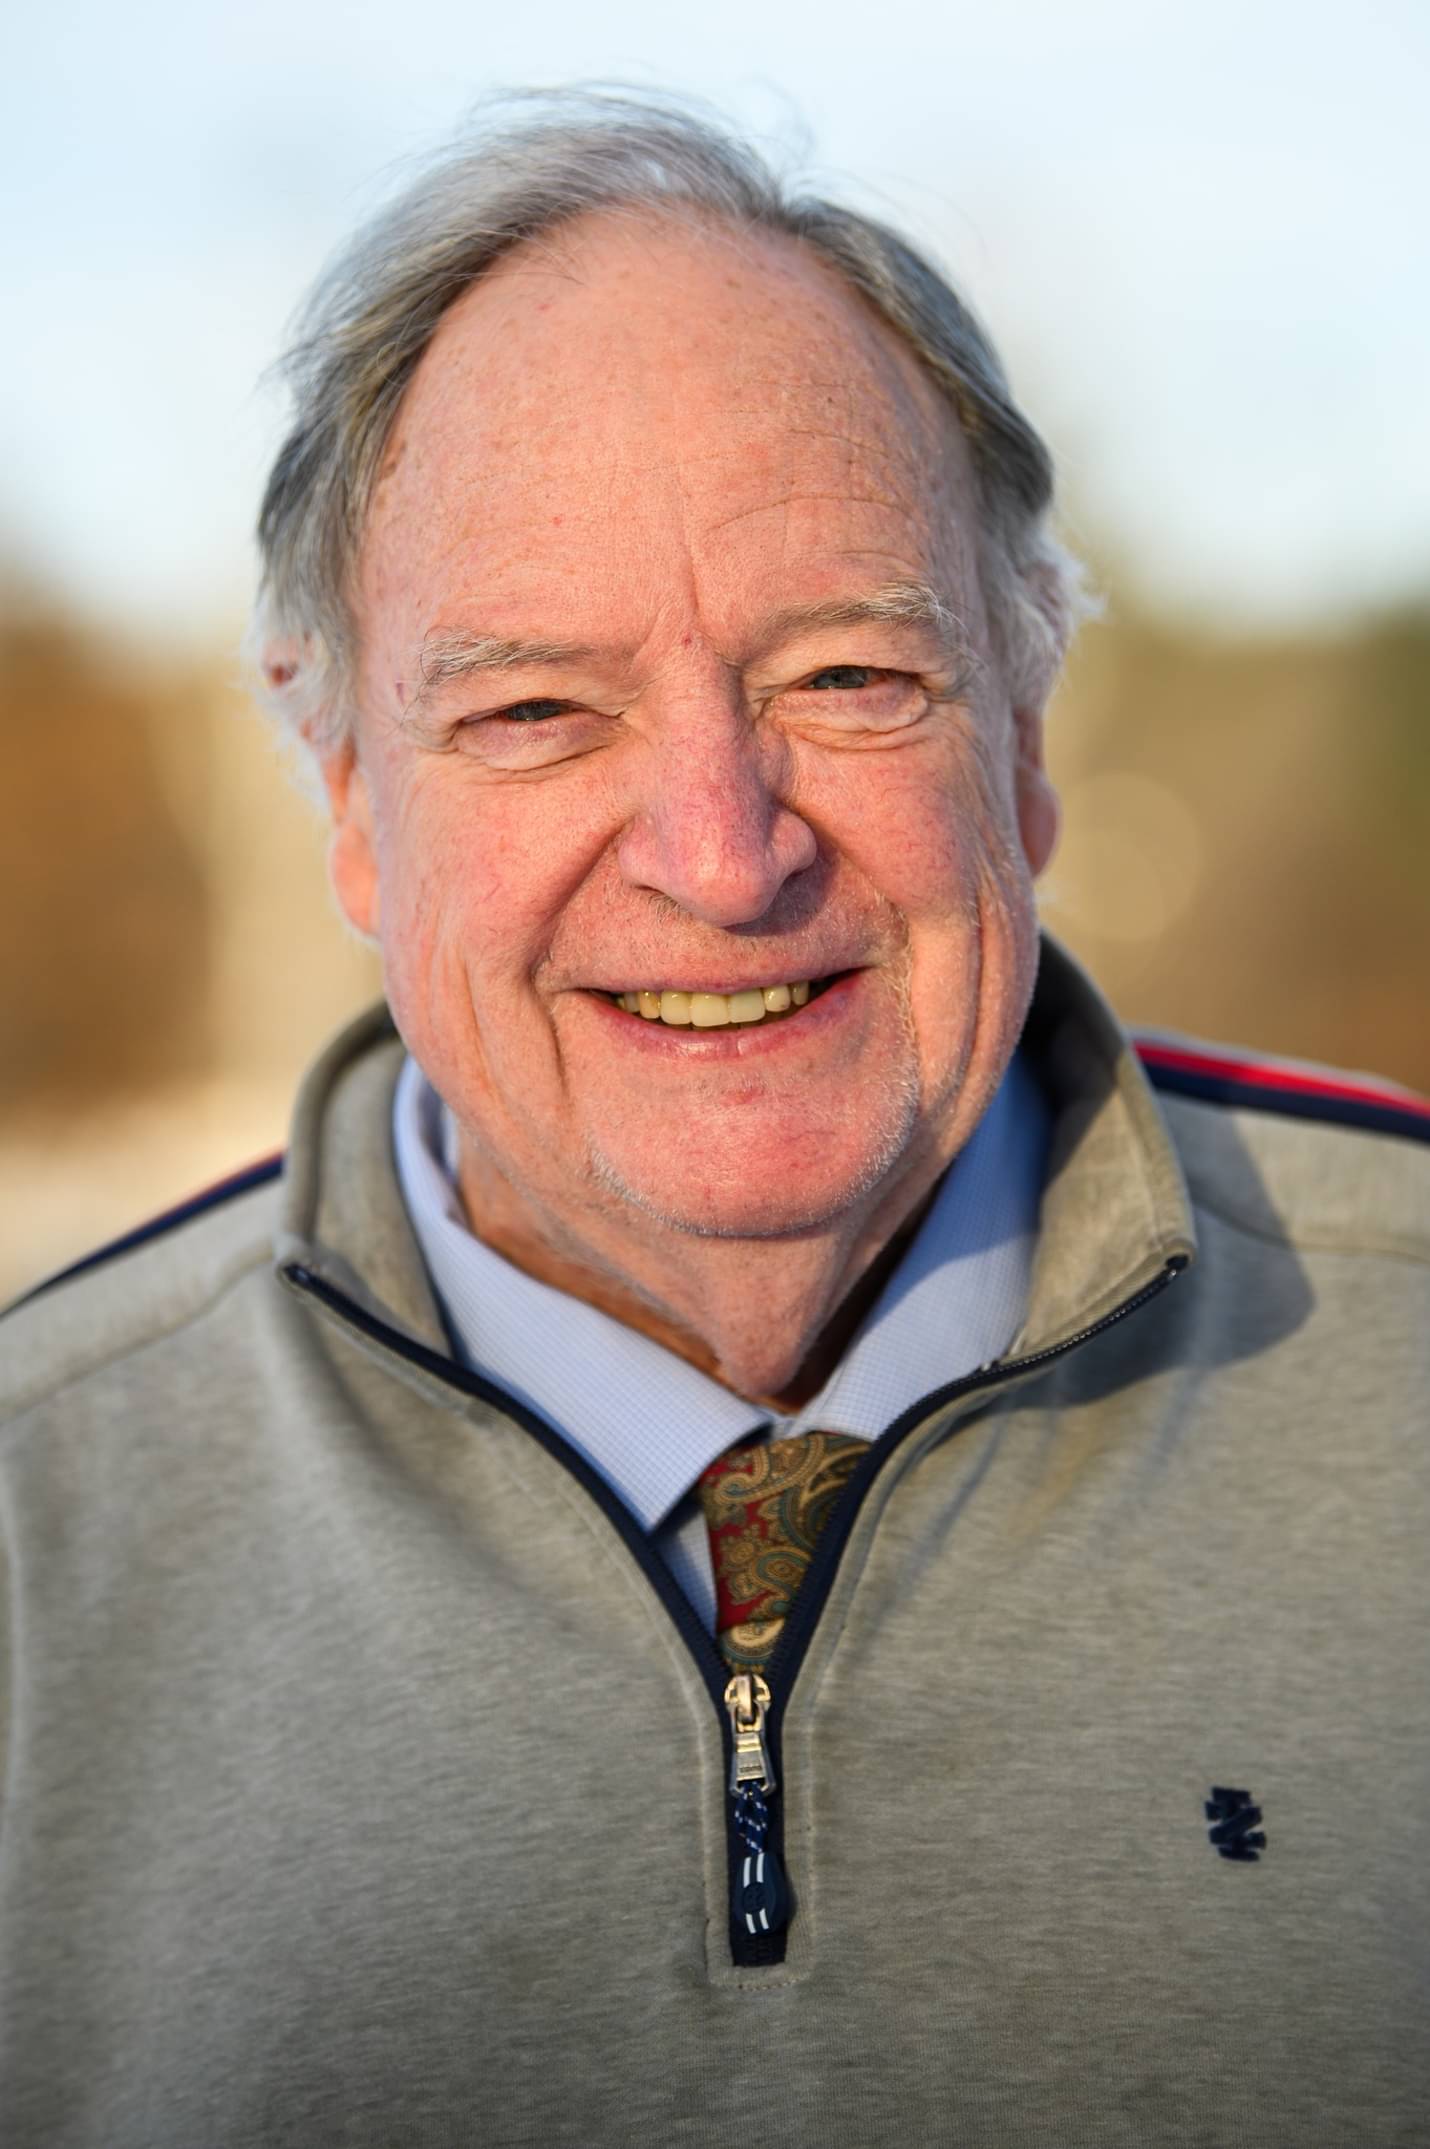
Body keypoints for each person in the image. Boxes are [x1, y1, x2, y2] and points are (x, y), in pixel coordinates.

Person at [3, 87, 1427, 2149]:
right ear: (350, 805)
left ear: (1024, 740)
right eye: (533, 711)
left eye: (846, 679)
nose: (720, 853)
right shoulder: (37, 1540)